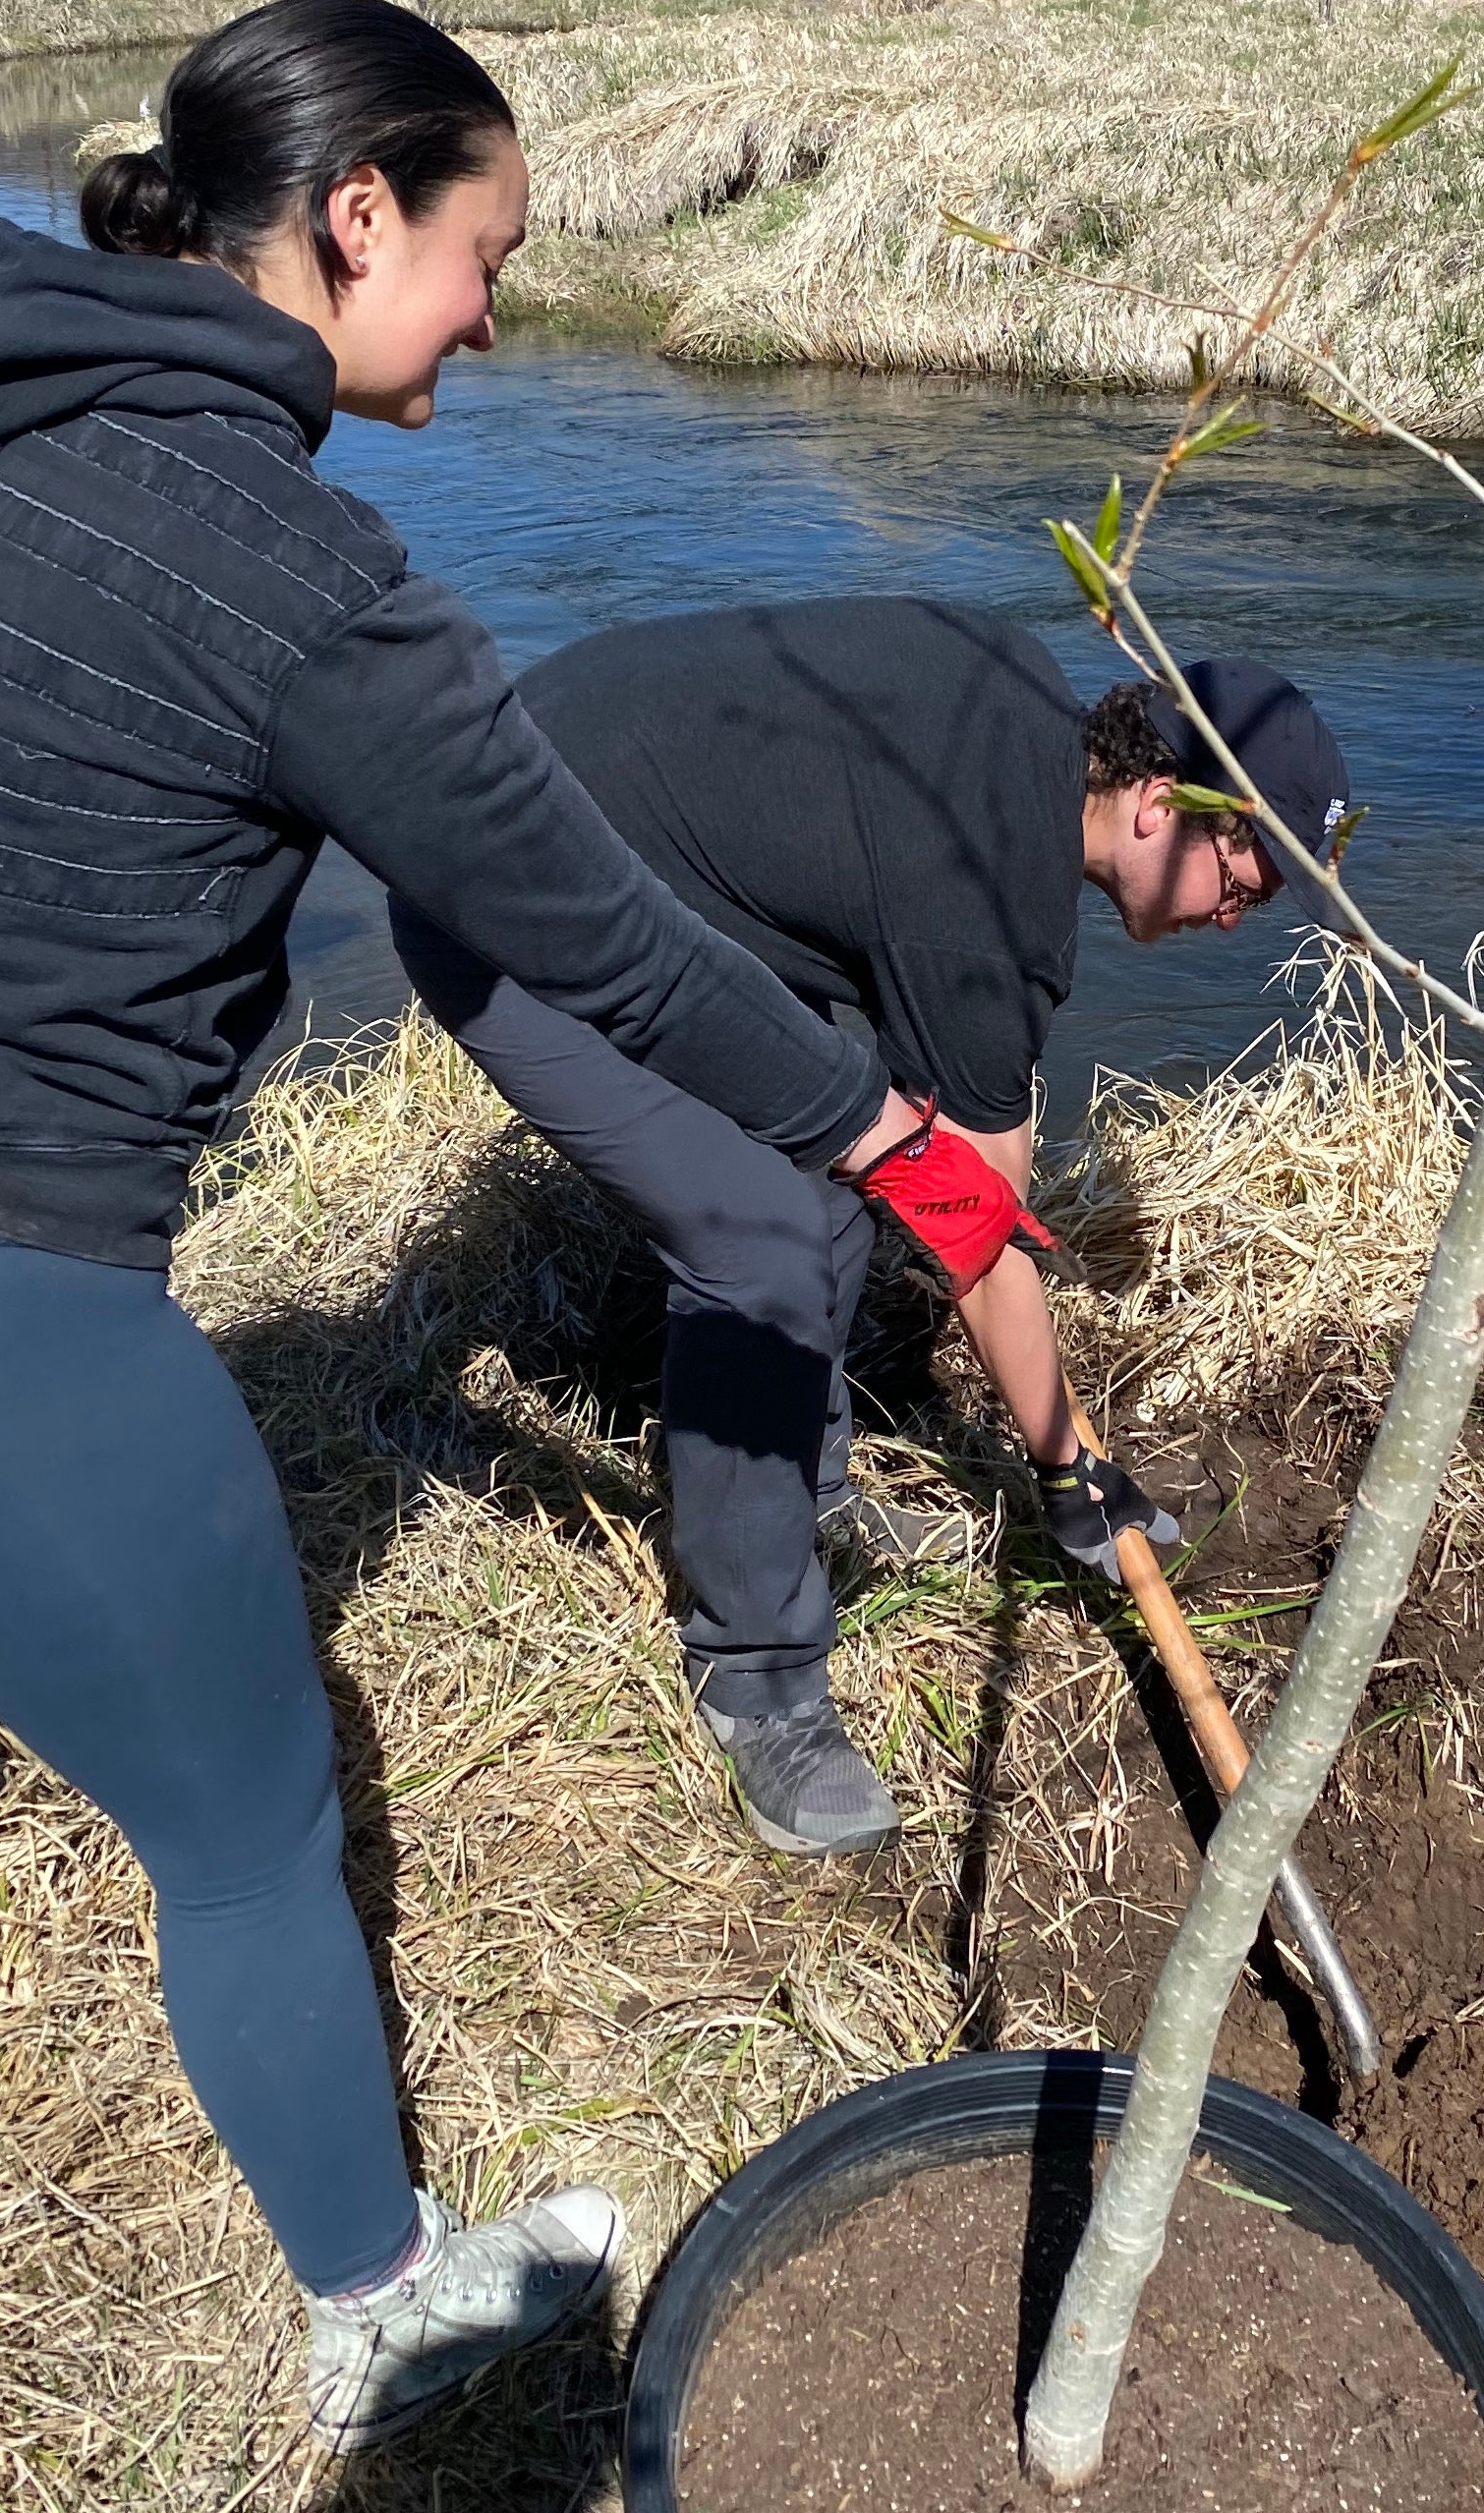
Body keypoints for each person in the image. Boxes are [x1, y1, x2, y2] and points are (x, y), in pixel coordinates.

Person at [0, 0, 1029, 2439]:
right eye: (485, 252)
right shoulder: (313, 586)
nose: (502, 310)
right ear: (353, 218)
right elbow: (618, 947)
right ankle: (384, 2305)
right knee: (244, 1828)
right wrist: (906, 1153)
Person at [390, 598, 1349, 1858]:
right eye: (1243, 883)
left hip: (618, 847)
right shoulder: (981, 910)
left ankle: (804, 1495)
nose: (1234, 920)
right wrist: (1068, 1473)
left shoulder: (1018, 706)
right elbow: (979, 1235)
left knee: (846, 1165)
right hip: (499, 902)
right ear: (1160, 802)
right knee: (765, 1242)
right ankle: (759, 1676)